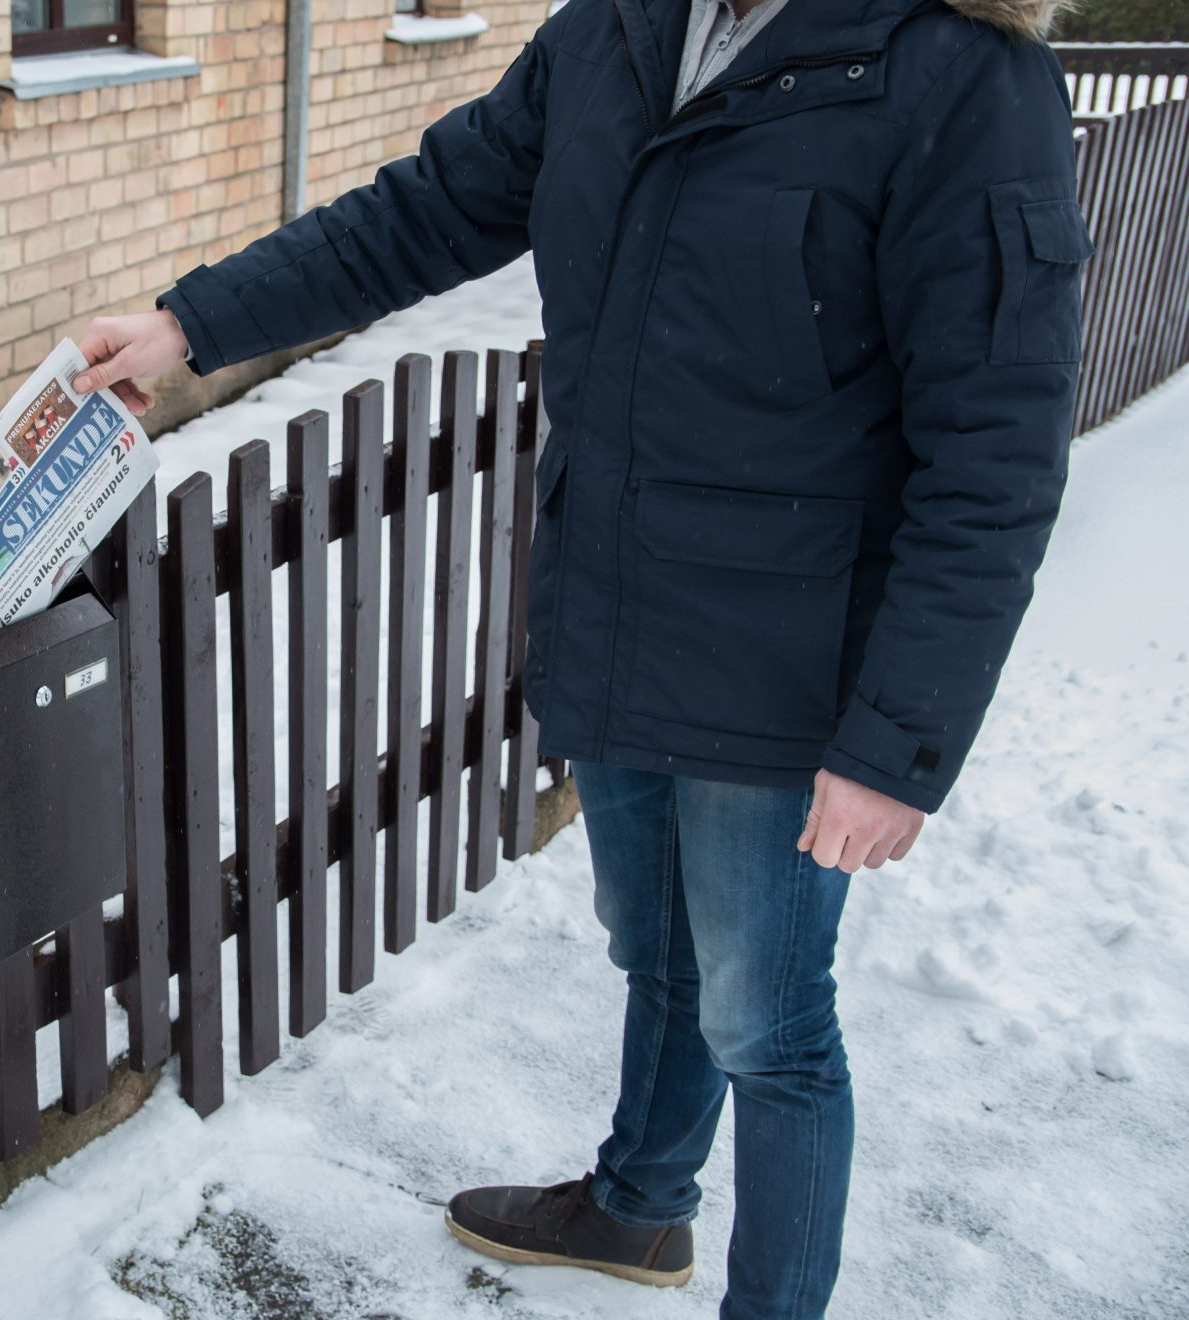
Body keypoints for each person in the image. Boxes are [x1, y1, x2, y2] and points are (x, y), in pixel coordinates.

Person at [70, 0, 1090, 1311]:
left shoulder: (959, 76)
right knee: (656, 952)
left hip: (793, 668)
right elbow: (424, 213)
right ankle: (637, 1210)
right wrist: (188, 326)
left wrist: (897, 742)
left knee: (768, 1028)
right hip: (621, 607)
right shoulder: (613, 32)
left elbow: (996, 454)